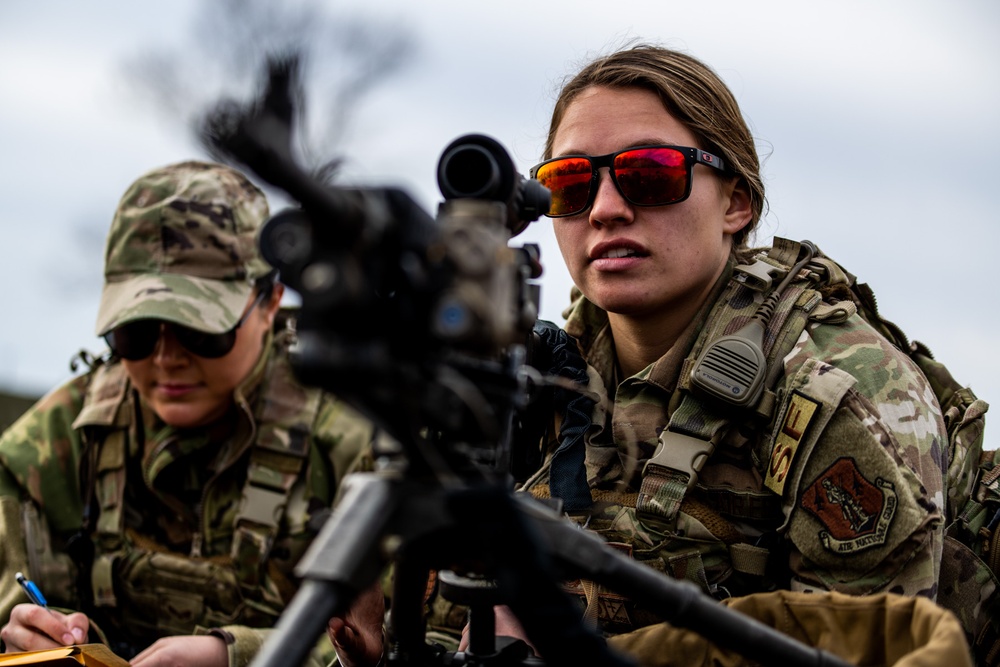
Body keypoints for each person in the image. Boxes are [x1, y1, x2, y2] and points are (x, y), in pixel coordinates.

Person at [329, 42, 962, 667]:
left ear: (736, 204)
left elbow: (864, 653)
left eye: (651, 174)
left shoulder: (838, 391)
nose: (605, 209)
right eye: (570, 184)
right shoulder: (530, 378)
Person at [0, 160, 373, 667]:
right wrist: (32, 637)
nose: (166, 358)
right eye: (135, 333)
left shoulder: (359, 444)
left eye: (202, 332)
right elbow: (19, 608)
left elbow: (433, 642)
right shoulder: (51, 447)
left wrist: (237, 657)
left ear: (270, 304)